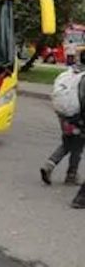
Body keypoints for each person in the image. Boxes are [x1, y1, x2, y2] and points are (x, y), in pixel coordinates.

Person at [41, 52, 85, 187]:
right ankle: (71, 175)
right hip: (78, 116)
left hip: (64, 114)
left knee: (69, 141)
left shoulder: (71, 72)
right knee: (77, 144)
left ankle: (51, 165)